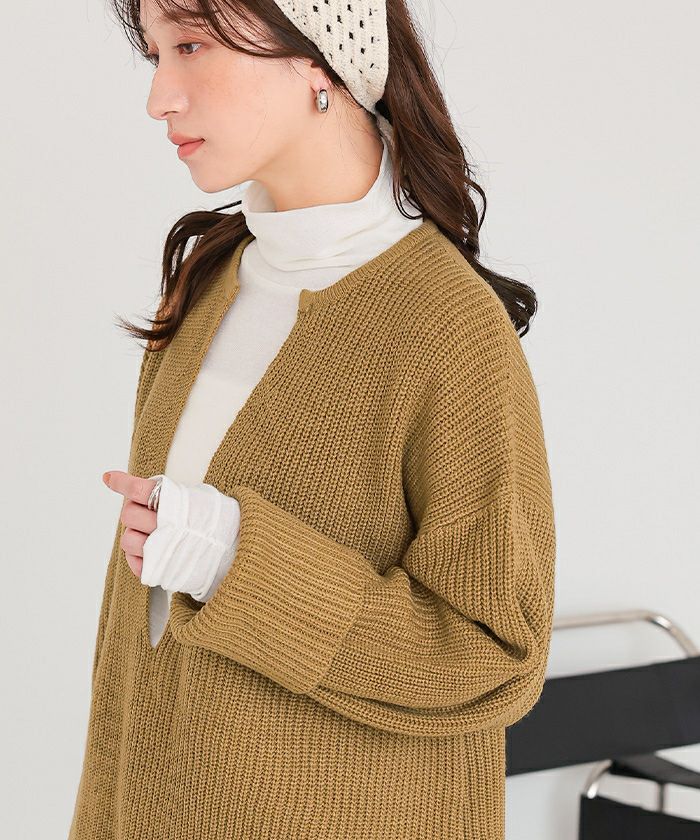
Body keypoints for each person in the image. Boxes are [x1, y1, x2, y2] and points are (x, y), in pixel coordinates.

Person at [69, 1, 557, 838]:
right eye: (155, 54)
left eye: (190, 45)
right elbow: (138, 658)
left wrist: (236, 562)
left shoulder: (446, 327)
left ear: (319, 58)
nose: (159, 97)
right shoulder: (207, 282)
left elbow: (496, 654)